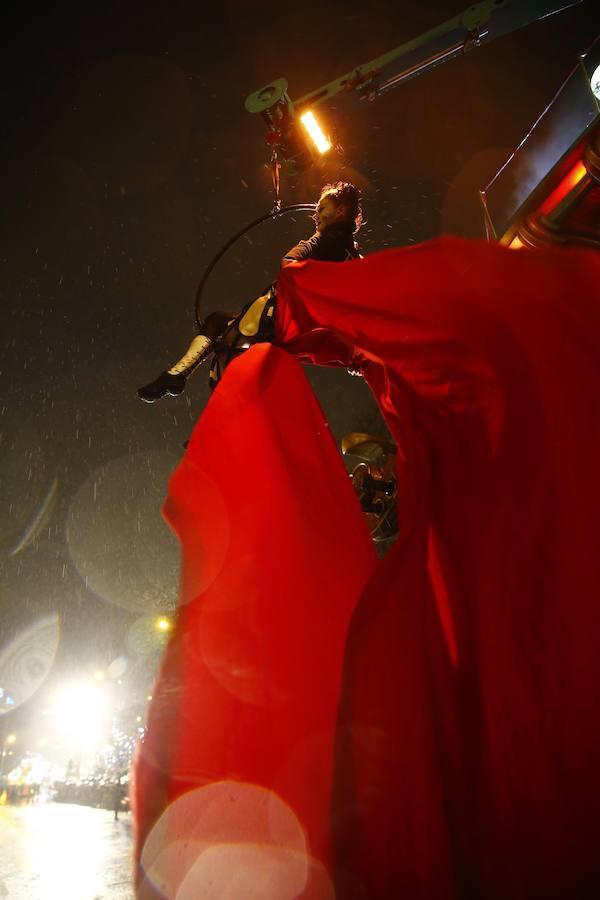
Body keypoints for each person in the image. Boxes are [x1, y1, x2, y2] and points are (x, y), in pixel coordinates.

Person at [137, 182, 362, 401]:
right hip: (299, 325)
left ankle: (182, 380)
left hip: (280, 318)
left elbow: (289, 264)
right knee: (218, 323)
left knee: (228, 340)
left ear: (340, 211)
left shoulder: (325, 240)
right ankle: (176, 376)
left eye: (322, 208)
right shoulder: (355, 258)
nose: (316, 215)